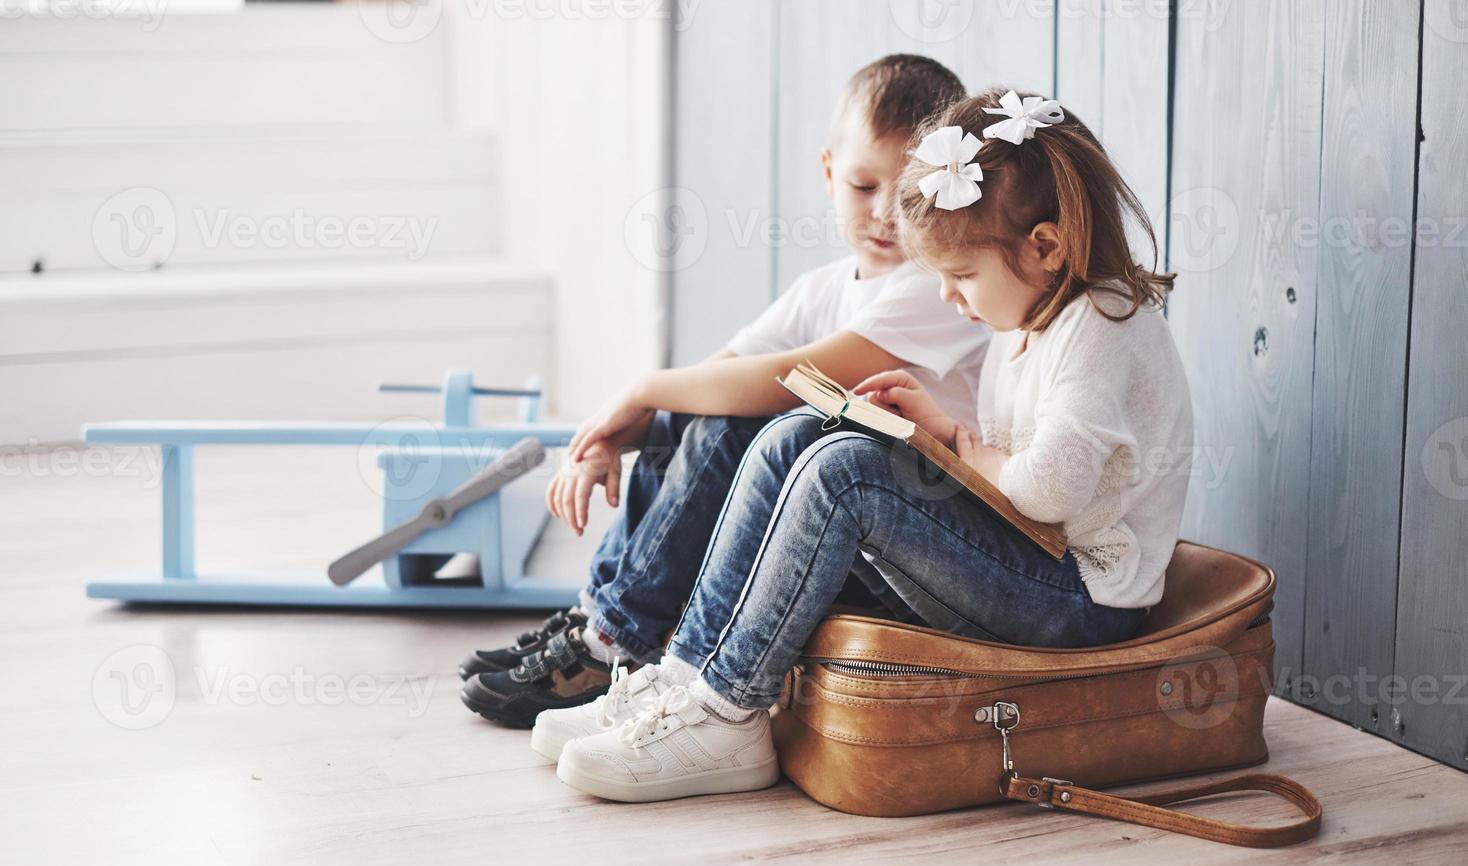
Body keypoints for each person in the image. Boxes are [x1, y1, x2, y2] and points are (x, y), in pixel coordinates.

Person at [547, 87, 1196, 803]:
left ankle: (727, 712)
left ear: (1046, 246)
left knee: (847, 475)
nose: (952, 298)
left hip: (1082, 599)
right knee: (799, 432)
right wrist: (938, 434)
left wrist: (958, 445)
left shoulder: (1101, 327)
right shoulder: (1036, 316)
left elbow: (1046, 491)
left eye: (961, 277)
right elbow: (1018, 473)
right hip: (1033, 557)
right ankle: (683, 682)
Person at [459, 55, 988, 732]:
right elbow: (715, 374)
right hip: (825, 521)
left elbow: (788, 379)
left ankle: (616, 640)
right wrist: (622, 425)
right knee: (695, 412)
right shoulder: (823, 289)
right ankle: (604, 623)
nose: (886, 214)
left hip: (908, 535)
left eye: (907, 193)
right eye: (863, 185)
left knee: (735, 422)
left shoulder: (936, 289)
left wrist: (641, 387)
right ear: (829, 173)